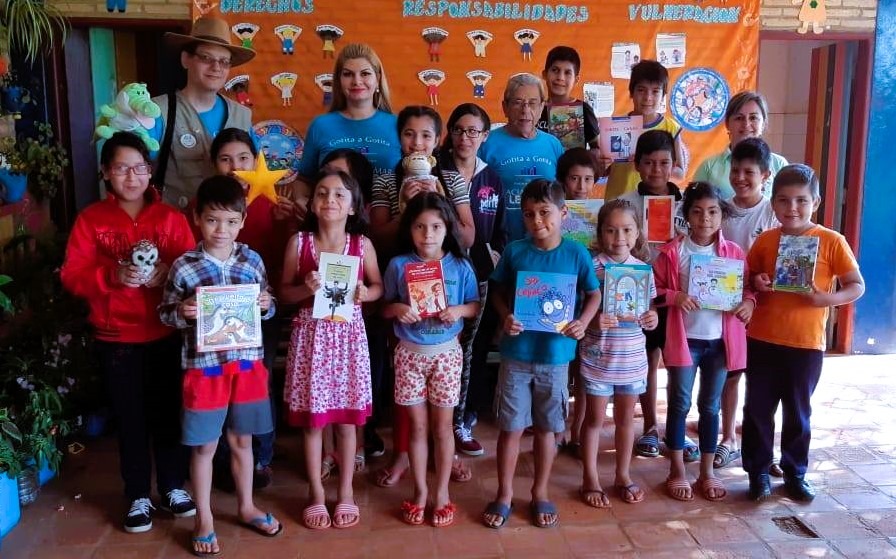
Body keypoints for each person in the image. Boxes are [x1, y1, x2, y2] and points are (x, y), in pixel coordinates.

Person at [60, 131, 197, 534]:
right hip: (116, 338)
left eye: (139, 167)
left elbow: (192, 268)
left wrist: (166, 275)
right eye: (121, 168)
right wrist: (112, 275)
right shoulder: (91, 220)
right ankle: (138, 493)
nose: (132, 176)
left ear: (150, 171)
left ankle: (173, 486)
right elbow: (72, 275)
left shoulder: (170, 219)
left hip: (166, 333)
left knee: (169, 414)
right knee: (130, 418)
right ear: (106, 173)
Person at [160, 177, 281, 556]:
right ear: (197, 218)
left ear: (242, 222)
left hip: (246, 366)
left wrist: (266, 305)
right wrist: (181, 311)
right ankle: (205, 519)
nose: (221, 230)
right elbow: (164, 313)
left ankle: (246, 506)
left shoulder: (252, 260)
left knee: (243, 440)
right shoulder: (184, 267)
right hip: (205, 369)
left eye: (230, 221)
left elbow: (268, 302)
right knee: (204, 446)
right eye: (212, 220)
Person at [742, 164, 865, 502]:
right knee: (757, 410)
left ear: (817, 202)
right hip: (762, 340)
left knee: (798, 412)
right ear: (773, 203)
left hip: (806, 344)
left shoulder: (831, 241)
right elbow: (747, 276)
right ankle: (757, 473)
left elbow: (856, 285)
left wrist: (827, 299)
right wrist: (756, 281)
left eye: (801, 200)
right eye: (783, 200)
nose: (791, 209)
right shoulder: (767, 240)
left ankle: (795, 472)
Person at [483, 179, 600, 529]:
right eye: (530, 214)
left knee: (548, 429)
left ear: (563, 213)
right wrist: (505, 316)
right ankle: (504, 494)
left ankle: (540, 492)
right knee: (511, 428)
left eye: (545, 212)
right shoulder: (516, 251)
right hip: (516, 353)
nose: (537, 221)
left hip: (556, 355)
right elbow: (498, 290)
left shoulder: (577, 253)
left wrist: (582, 322)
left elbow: (592, 294)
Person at [370, 106, 476, 487]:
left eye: (426, 135)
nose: (417, 142)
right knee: (406, 387)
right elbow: (378, 235)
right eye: (409, 135)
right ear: (399, 139)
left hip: (445, 299)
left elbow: (467, 237)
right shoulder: (385, 177)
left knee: (444, 397)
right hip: (399, 285)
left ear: (437, 140)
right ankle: (404, 456)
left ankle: (444, 460)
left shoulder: (451, 176)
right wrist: (408, 209)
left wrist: (437, 201)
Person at [280, 169, 383, 529]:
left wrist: (365, 294)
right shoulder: (300, 243)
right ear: (312, 202)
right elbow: (284, 294)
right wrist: (306, 289)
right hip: (312, 342)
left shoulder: (362, 245)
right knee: (312, 423)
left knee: (346, 421)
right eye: (322, 193)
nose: (330, 201)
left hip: (349, 341)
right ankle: (316, 494)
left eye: (340, 194)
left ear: (354, 206)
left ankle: (346, 493)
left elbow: (377, 287)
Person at [199, 128, 299, 491]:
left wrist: (288, 220)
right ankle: (224, 458)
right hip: (215, 318)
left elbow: (289, 253)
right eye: (225, 159)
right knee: (218, 384)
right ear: (214, 165)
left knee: (257, 381)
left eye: (243, 158)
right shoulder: (206, 208)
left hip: (260, 309)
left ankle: (261, 456)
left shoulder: (272, 203)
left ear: (256, 162)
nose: (234, 166)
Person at [383, 193, 480, 527]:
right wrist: (399, 309)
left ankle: (441, 493)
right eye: (420, 226)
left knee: (442, 428)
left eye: (436, 226)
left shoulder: (460, 265)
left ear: (447, 228)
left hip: (447, 357)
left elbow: (474, 305)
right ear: (410, 229)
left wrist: (458, 311)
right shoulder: (399, 265)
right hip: (410, 354)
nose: (428, 234)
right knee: (418, 428)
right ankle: (421, 491)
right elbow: (385, 306)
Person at [652, 182, 754, 501]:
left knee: (710, 407)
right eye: (697, 212)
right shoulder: (673, 252)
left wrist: (748, 303)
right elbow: (652, 290)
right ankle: (677, 470)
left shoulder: (733, 253)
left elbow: (747, 290)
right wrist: (675, 296)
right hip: (686, 342)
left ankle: (708, 471)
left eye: (712, 212)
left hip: (719, 344)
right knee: (679, 404)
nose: (705, 219)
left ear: (722, 215)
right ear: (686, 216)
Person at [618, 130, 696, 462]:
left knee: (680, 363)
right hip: (641, 295)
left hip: (681, 296)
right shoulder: (625, 204)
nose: (656, 170)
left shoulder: (687, 205)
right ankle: (649, 428)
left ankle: (677, 430)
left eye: (664, 163)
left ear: (674, 164)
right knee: (648, 362)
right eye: (648, 163)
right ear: (637, 165)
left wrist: (682, 238)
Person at [579, 200, 658, 508]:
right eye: (611, 230)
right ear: (600, 233)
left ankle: (623, 475)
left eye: (626, 230)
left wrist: (652, 319)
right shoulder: (592, 267)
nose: (619, 237)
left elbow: (648, 311)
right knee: (595, 419)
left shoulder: (642, 271)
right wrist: (593, 318)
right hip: (599, 356)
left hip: (632, 358)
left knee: (626, 420)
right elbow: (578, 309)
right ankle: (590, 477)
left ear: (638, 233)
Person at [439, 103, 506, 457]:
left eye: (473, 131)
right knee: (440, 343)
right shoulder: (434, 170)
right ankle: (439, 423)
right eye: (459, 129)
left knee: (474, 349)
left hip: (480, 272)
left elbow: (498, 231)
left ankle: (464, 419)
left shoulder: (491, 178)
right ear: (449, 133)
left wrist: (495, 255)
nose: (465, 137)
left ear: (484, 136)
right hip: (438, 272)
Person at [714, 137, 780, 470]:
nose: (741, 177)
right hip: (727, 309)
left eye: (749, 172)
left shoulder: (773, 212)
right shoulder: (721, 210)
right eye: (735, 170)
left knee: (763, 379)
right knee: (730, 374)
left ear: (765, 175)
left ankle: (762, 446)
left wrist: (763, 281)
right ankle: (728, 438)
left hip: (766, 309)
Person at [151, 16, 256, 210]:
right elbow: (135, 174)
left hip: (226, 233)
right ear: (186, 59)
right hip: (176, 231)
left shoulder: (242, 115)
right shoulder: (158, 112)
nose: (216, 67)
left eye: (224, 61)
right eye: (206, 58)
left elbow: (254, 175)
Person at [479, 73, 565, 242]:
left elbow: (563, 192)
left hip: (545, 243)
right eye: (518, 103)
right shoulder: (487, 143)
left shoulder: (553, 145)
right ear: (505, 107)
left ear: (542, 107)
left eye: (532, 103)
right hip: (499, 240)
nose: (525, 110)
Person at [298, 43, 400, 180]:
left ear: (378, 79)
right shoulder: (320, 125)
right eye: (348, 74)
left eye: (365, 73)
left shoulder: (398, 125)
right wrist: (301, 199)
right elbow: (303, 179)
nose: (356, 81)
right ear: (339, 81)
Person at [603, 60, 688, 201]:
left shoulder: (671, 128)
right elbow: (605, 171)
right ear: (631, 92)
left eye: (655, 91)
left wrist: (651, 163)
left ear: (663, 95)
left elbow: (680, 174)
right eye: (641, 90)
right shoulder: (616, 126)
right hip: (617, 203)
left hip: (653, 204)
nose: (648, 97)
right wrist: (601, 164)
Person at [693, 91, 789, 199]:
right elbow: (693, 207)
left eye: (753, 118)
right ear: (727, 124)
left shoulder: (779, 165)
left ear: (763, 123)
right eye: (739, 118)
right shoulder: (708, 167)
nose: (746, 124)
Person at [537, 46, 600, 155]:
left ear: (576, 80)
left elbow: (597, 148)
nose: (560, 77)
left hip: (571, 171)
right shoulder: (535, 108)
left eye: (567, 73)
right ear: (544, 74)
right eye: (555, 70)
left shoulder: (583, 109)